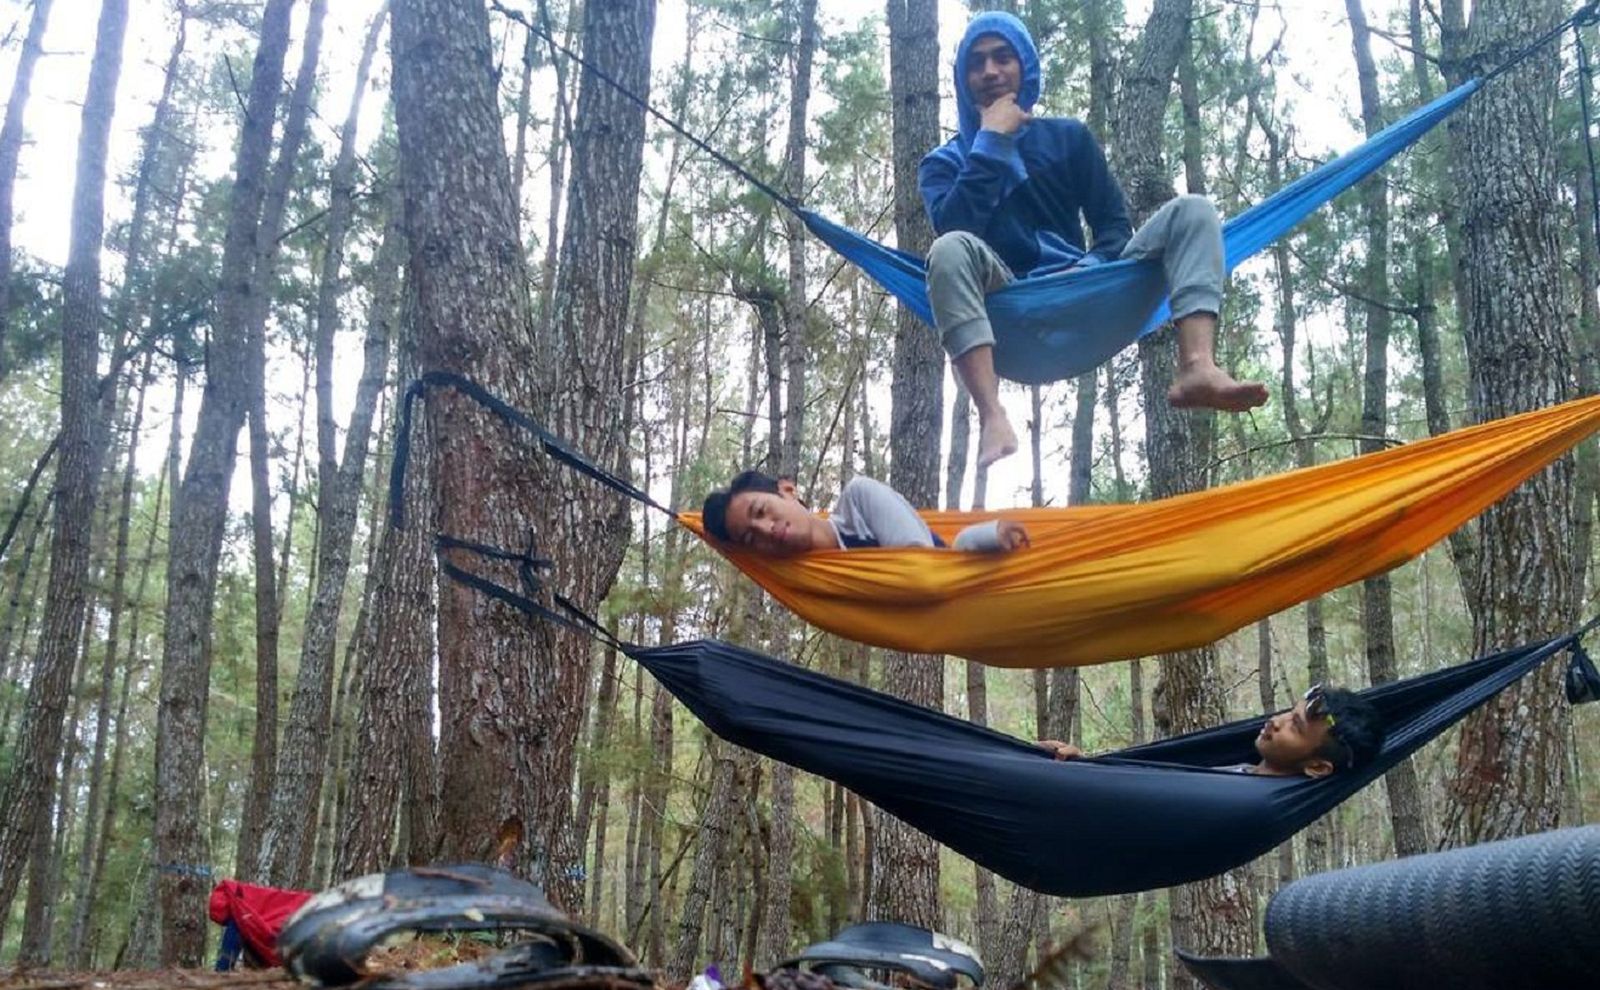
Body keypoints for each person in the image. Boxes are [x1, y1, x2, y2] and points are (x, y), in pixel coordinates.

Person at [921, 10, 1269, 468]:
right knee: (947, 250)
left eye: (1002, 57)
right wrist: (989, 143)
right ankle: (991, 415)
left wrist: (1090, 268)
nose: (989, 71)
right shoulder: (943, 164)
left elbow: (1113, 228)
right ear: (963, 80)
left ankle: (1197, 365)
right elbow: (955, 228)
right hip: (1009, 310)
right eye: (976, 62)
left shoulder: (1068, 139)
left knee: (1195, 210)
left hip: (1090, 294)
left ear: (1025, 66)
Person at [1039, 684, 1386, 778]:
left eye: (1294, 727)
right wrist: (1086, 764)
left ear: (1317, 766)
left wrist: (1086, 775)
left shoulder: (1249, 801)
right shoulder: (1242, 771)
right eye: (1288, 712)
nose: (1275, 721)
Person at [701, 470, 1029, 557]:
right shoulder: (806, 584)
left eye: (761, 511)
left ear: (788, 490)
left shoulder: (859, 501)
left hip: (988, 578)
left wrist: (983, 535)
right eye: (750, 538)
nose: (765, 529)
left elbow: (928, 571)